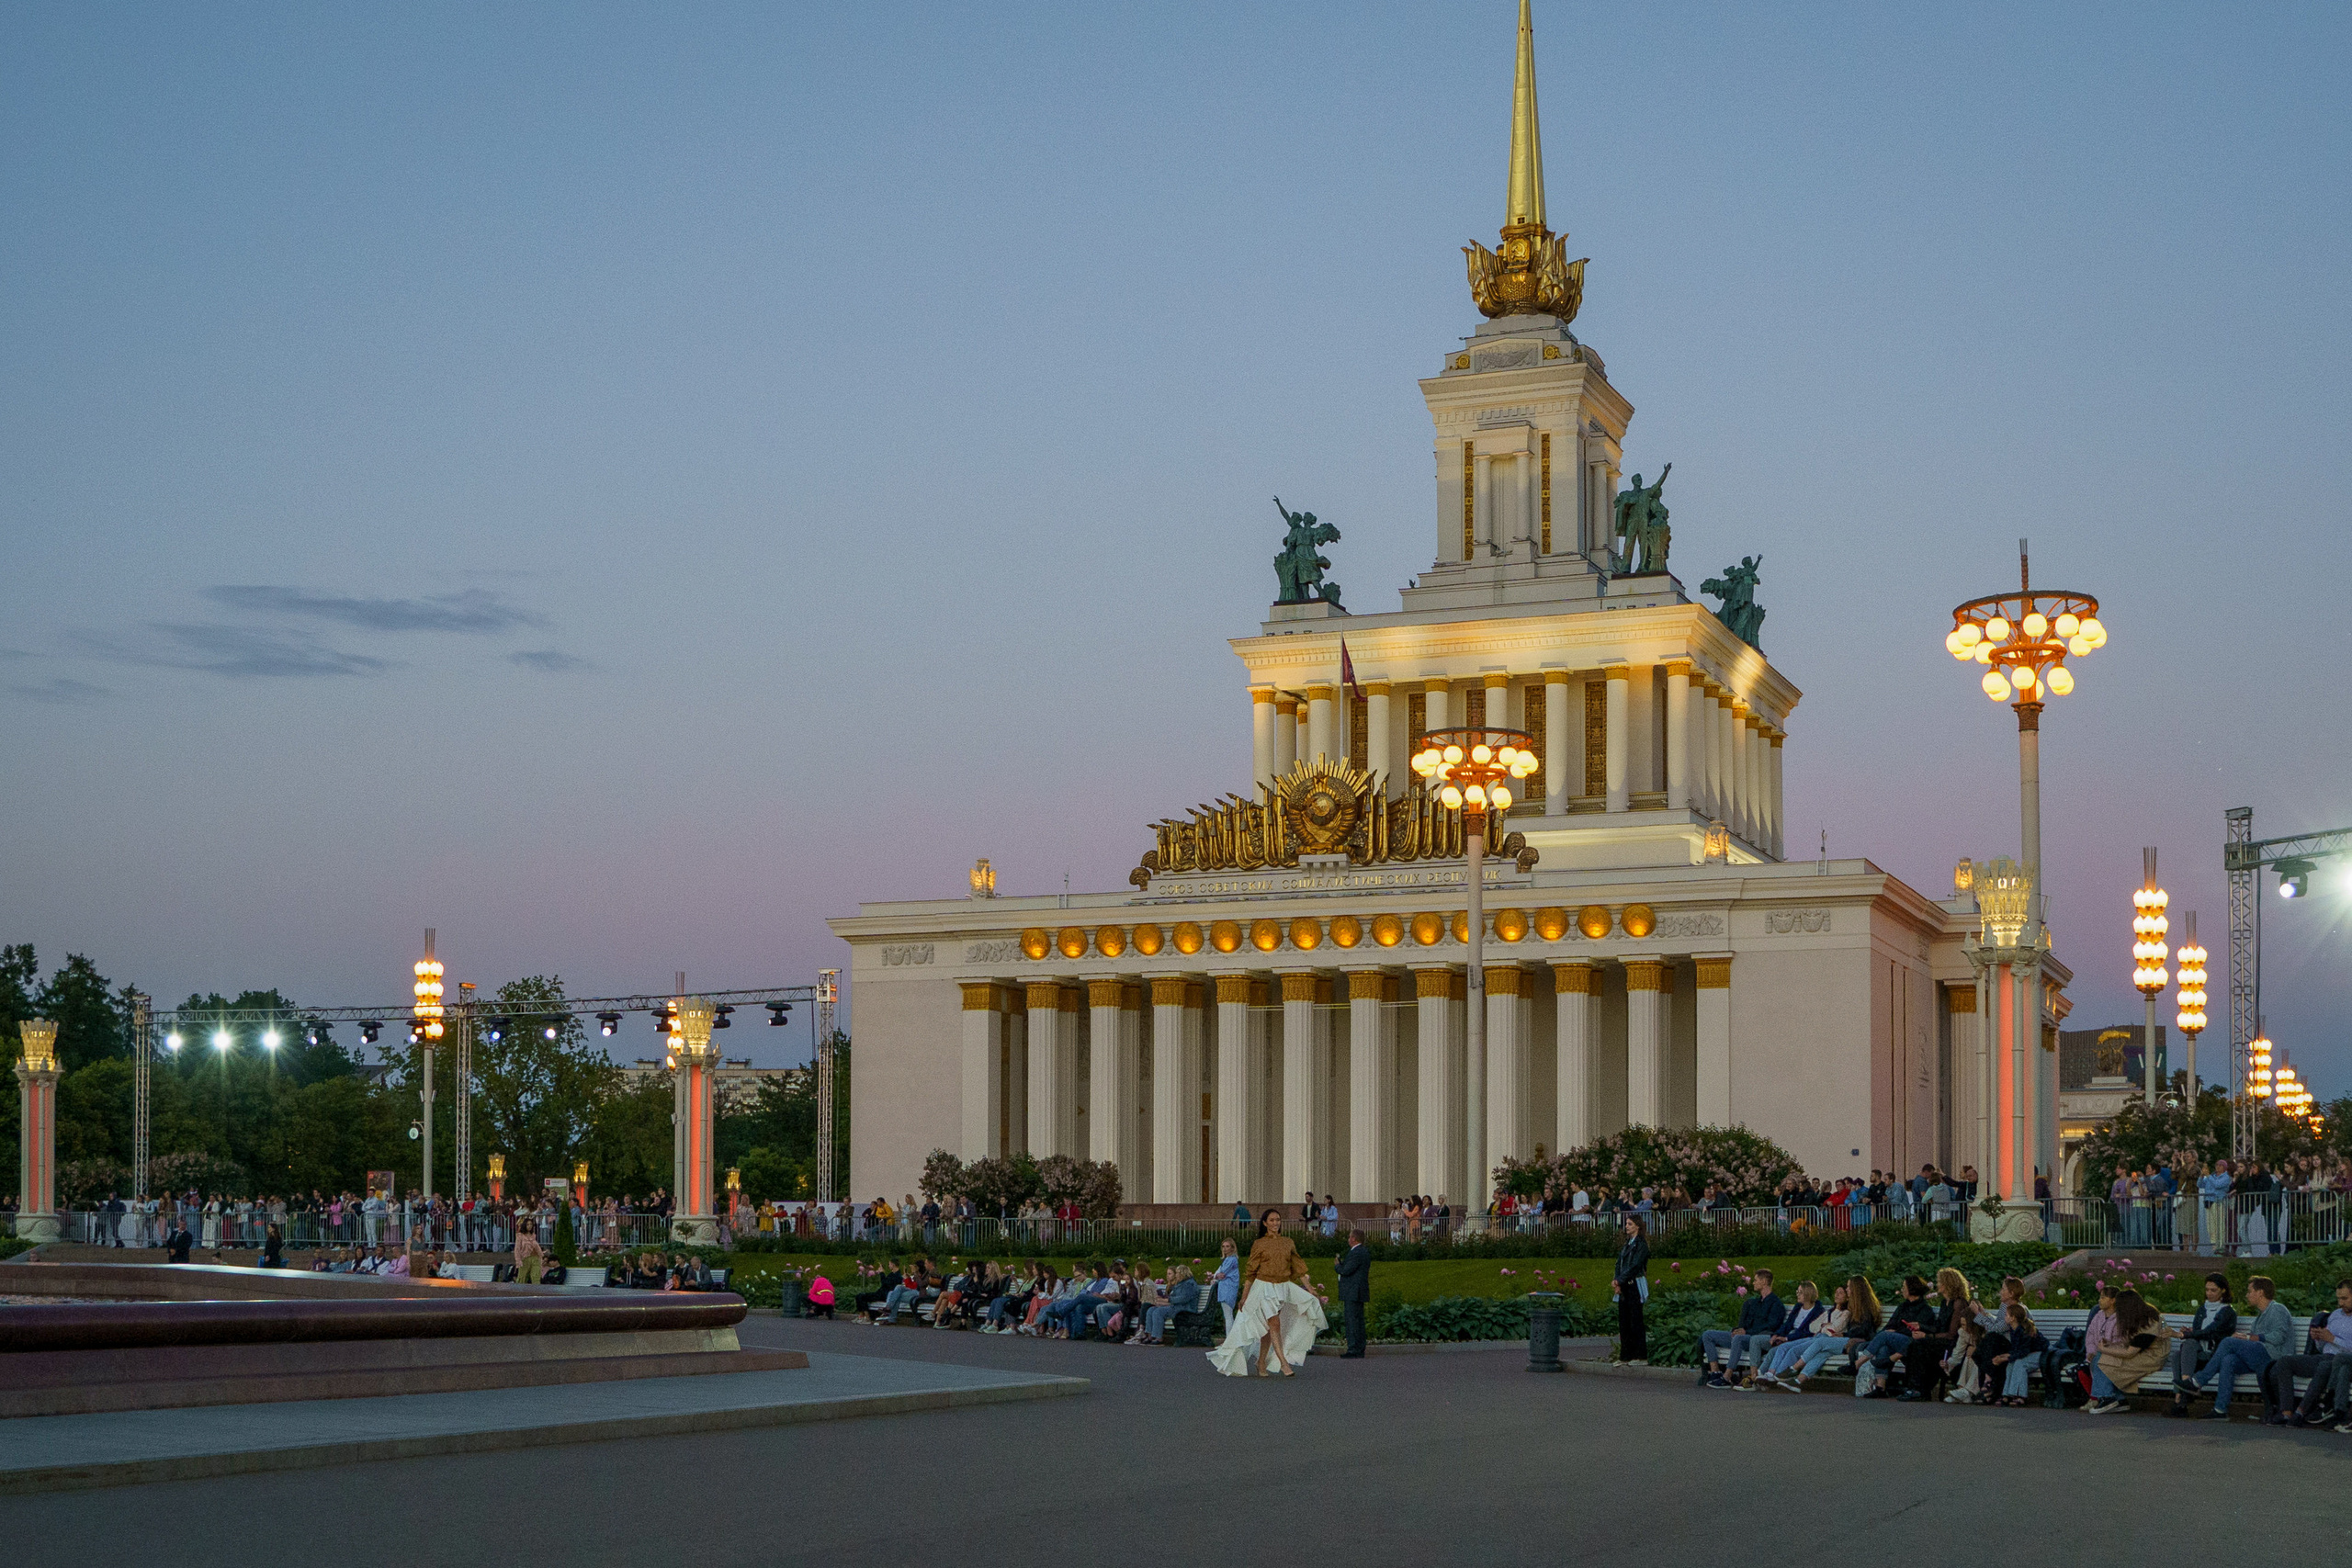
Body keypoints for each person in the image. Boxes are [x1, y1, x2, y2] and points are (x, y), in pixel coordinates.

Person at [1208, 1209, 1327, 1378]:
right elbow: (1251, 1273)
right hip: (1263, 1288)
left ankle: (1261, 1361)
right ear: (1264, 1223)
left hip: (1282, 1287)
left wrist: (1310, 1289)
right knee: (1274, 1323)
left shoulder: (1288, 1242)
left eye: (1277, 1220)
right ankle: (1284, 1364)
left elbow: (1299, 1268)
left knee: (1269, 1327)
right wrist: (1244, 1297)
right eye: (1271, 1220)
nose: (1275, 1223)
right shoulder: (1259, 1244)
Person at [2178, 1274, 2289, 1418]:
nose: (2247, 1295)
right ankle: (2220, 1410)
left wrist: (2251, 1338)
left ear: (2260, 1292)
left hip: (2274, 1357)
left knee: (2228, 1342)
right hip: (2260, 1357)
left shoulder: (2277, 1309)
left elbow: (2279, 1337)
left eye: (2250, 1291)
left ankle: (2198, 1381)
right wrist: (2245, 1338)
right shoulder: (2260, 1317)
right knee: (2228, 1360)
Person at [2266, 1278, 2352, 1427]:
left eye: (2345, 1298)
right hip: (2323, 1356)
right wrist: (2319, 1338)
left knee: (2324, 1366)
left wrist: (2333, 1339)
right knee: (2286, 1361)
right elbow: (2322, 1347)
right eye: (2338, 1299)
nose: (2341, 1303)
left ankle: (2301, 1411)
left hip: (2341, 1361)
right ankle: (2286, 1411)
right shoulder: (2335, 1315)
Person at [2085, 1288, 2175, 1414]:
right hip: (2142, 1353)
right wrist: (2109, 1345)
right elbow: (2130, 1343)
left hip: (2151, 1358)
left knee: (2103, 1359)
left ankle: (2107, 1398)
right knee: (2101, 1357)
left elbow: (2130, 1353)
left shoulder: (2150, 1321)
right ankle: (2119, 1399)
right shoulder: (2139, 1316)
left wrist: (2104, 1349)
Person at [1699, 1269, 1785, 1389]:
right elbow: (1746, 1324)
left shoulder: (1776, 1304)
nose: (1753, 1283)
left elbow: (1771, 1326)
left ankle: (1727, 1377)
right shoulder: (1755, 1303)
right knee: (1708, 1335)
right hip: (1743, 1336)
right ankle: (1715, 1372)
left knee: (1738, 1338)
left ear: (1764, 1281)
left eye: (1755, 1280)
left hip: (1756, 1339)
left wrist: (1746, 1332)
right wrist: (1738, 1329)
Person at [2165, 1274, 2238, 1416]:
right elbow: (2200, 1332)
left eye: (2213, 1290)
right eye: (2207, 1290)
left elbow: (2212, 1332)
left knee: (2189, 1343)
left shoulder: (2228, 1311)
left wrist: (2185, 1335)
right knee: (2177, 1355)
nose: (2209, 1294)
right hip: (2198, 1354)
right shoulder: (2202, 1309)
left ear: (2223, 1290)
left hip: (2214, 1355)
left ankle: (2182, 1398)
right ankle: (2183, 1395)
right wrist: (2191, 1331)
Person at [1611, 1213, 1649, 1363]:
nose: (1627, 1227)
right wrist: (1617, 1280)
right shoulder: (1626, 1244)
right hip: (1624, 1284)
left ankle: (1640, 1355)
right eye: (1626, 1224)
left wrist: (1621, 1279)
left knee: (1636, 1320)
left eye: (1630, 1224)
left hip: (1635, 1283)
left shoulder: (1641, 1245)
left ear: (1637, 1226)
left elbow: (1635, 1266)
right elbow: (1619, 1263)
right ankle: (1625, 1355)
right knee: (1624, 1321)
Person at [1334, 1227, 1372, 1358]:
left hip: (1353, 1291)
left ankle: (1353, 1349)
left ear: (1354, 1238)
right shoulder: (1364, 1251)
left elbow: (1346, 1270)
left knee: (1352, 1321)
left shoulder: (1356, 1252)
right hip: (1359, 1291)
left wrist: (1337, 1266)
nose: (1348, 1239)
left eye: (1350, 1237)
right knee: (1358, 1320)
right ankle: (1359, 1348)